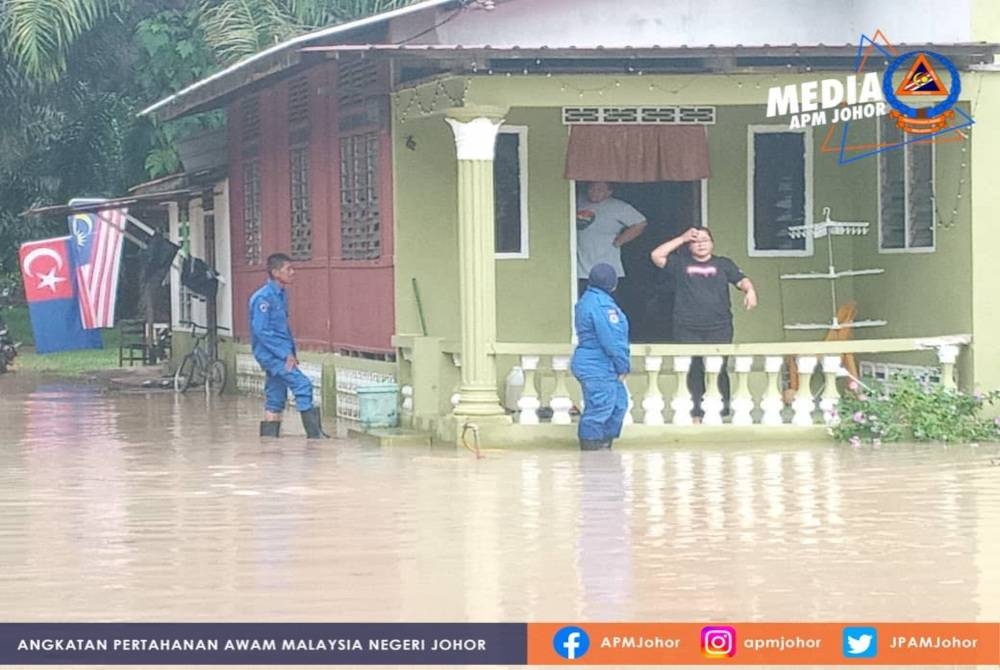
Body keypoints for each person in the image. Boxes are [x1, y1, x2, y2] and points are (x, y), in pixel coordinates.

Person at [650, 228, 758, 422]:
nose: (701, 244)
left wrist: (750, 291)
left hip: (719, 326)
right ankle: (696, 415)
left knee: (719, 368)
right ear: (689, 246)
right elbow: (656, 255)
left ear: (712, 243)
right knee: (694, 369)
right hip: (687, 326)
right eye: (696, 241)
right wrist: (681, 238)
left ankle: (722, 413)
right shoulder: (680, 264)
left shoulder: (723, 264)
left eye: (705, 240)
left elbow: (741, 280)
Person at [249, 253, 329, 439]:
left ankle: (269, 443)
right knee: (303, 385)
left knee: (275, 396)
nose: (293, 273)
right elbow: (262, 331)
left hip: (279, 353)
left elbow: (282, 328)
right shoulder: (263, 298)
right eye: (288, 269)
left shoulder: (280, 295)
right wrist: (285, 354)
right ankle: (315, 437)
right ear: (276, 272)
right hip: (271, 355)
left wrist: (290, 351)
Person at [571, 263, 631, 450]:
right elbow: (612, 340)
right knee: (600, 410)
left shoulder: (589, 300)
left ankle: (604, 455)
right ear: (613, 284)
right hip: (598, 364)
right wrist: (623, 365)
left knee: (618, 405)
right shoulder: (602, 305)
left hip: (600, 364)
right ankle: (592, 458)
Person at [576, 182, 647, 299]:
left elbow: (641, 223)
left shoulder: (619, 207)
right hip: (579, 269)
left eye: (599, 189)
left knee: (605, 304)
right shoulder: (577, 201)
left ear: (609, 192)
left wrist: (620, 241)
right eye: (592, 188)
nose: (594, 192)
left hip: (606, 269)